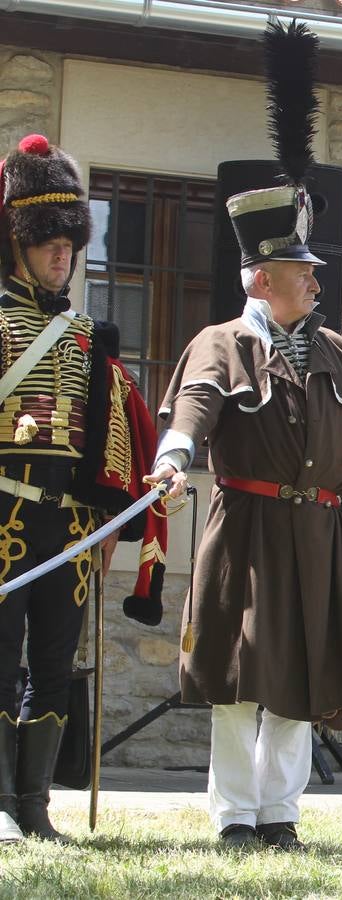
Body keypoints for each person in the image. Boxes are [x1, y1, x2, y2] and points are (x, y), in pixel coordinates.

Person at [147, 20, 342, 851]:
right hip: (245, 529)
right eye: (303, 272)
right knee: (243, 677)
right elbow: (196, 407)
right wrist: (175, 454)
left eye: (314, 272)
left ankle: (282, 812)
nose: (316, 280)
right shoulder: (223, 341)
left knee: (302, 677)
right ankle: (236, 815)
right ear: (262, 277)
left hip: (316, 531)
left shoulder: (336, 352)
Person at [0, 133, 165, 844]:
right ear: (18, 243)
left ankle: (34, 807)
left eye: (69, 240)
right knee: (1, 662)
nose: (62, 252)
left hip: (67, 526)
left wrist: (115, 512)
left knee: (56, 664)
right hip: (3, 511)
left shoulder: (83, 335)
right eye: (48, 241)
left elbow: (112, 434)